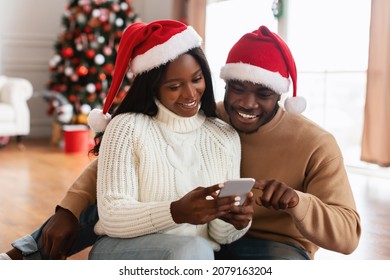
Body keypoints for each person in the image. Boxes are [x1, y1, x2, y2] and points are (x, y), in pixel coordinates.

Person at [1, 24, 361, 261]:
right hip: (192, 232)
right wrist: (65, 211)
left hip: (269, 245)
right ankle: (23, 257)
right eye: (237, 88)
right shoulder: (211, 118)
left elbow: (348, 237)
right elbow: (109, 167)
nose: (247, 104)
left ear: (281, 95)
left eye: (263, 94)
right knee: (128, 194)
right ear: (225, 85)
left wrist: (298, 202)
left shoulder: (315, 144)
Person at [0, 20, 254, 261]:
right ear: (153, 86)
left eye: (197, 79)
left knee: (198, 250)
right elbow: (111, 216)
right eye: (174, 86)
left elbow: (221, 237)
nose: (190, 93)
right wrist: (175, 211)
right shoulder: (127, 128)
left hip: (198, 257)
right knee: (194, 249)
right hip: (123, 249)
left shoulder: (224, 136)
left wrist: (236, 221)